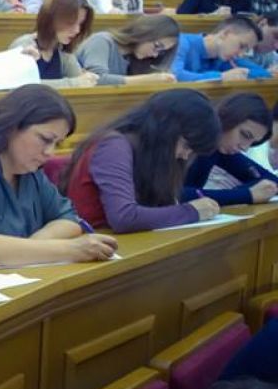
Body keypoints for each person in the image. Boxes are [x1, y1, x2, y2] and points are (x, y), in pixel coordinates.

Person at [0, 84, 119, 266]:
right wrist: (71, 249)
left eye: (56, 144)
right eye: (45, 139)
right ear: (11, 126)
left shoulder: (28, 168)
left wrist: (29, 249)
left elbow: (69, 219)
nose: (50, 152)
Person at [64, 89, 221, 233]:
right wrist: (191, 211)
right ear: (166, 129)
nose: (185, 156)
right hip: (93, 242)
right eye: (186, 146)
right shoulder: (113, 146)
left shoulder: (150, 153)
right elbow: (124, 217)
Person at [185, 93, 278, 206]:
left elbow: (270, 180)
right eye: (245, 135)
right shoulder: (187, 139)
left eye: (253, 142)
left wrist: (244, 193)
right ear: (227, 118)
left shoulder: (221, 148)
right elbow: (173, 195)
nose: (244, 148)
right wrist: (246, 195)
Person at [8, 0, 98, 88]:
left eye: (80, 24)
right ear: (52, 19)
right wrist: (74, 83)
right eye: (71, 23)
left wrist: (89, 80)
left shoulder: (63, 52)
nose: (77, 30)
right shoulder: (24, 44)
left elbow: (81, 81)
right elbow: (20, 86)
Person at [75, 13, 179, 85]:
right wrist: (148, 80)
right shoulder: (102, 40)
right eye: (157, 46)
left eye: (161, 52)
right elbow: (95, 80)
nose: (155, 55)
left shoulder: (139, 59)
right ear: (144, 33)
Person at [170, 16, 270, 82]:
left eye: (246, 50)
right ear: (225, 34)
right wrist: (221, 77)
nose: (241, 54)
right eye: (241, 46)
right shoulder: (181, 42)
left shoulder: (227, 57)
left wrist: (243, 73)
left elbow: (264, 74)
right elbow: (175, 75)